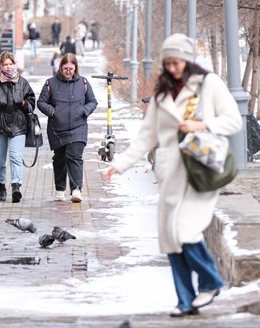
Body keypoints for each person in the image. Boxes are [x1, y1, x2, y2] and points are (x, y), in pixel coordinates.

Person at [103, 34, 242, 317]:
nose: (173, 68)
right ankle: (184, 301)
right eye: (168, 63)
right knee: (170, 238)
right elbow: (146, 137)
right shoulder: (161, 95)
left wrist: (202, 123)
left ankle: (211, 281)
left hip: (201, 170)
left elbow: (233, 120)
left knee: (185, 231)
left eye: (177, 62)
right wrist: (119, 164)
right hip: (170, 172)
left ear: (188, 60)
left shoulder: (208, 85)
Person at [37, 53, 98, 203]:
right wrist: (53, 112)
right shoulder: (50, 83)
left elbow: (93, 101)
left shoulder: (83, 83)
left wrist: (85, 111)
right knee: (60, 159)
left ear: (76, 68)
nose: (68, 71)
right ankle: (59, 189)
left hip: (78, 126)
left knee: (74, 156)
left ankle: (76, 189)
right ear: (61, 67)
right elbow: (41, 102)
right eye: (66, 68)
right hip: (57, 128)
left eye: (71, 68)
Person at [0, 51, 36, 203]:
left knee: (16, 157)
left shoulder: (22, 82)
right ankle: (1, 187)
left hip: (18, 125)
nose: (8, 67)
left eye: (11, 64)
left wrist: (24, 103)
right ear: (0, 66)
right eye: (5, 64)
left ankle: (16, 186)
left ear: (14, 65)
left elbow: (32, 103)